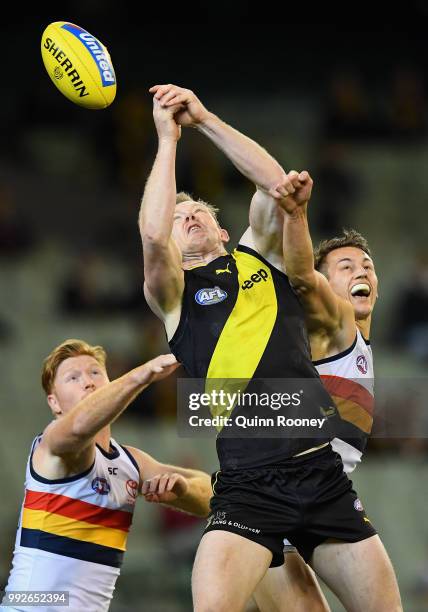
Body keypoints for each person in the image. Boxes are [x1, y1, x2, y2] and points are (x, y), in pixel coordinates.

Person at [139, 84, 387, 612]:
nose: (188, 218)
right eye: (180, 217)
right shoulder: (174, 297)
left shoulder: (259, 260)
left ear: (224, 230)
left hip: (321, 473)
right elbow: (153, 236)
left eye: (199, 213)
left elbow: (276, 184)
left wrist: (203, 118)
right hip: (249, 485)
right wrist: (168, 143)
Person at [253, 224, 402, 611]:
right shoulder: (334, 324)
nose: (362, 273)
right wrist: (295, 213)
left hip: (325, 494)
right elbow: (302, 275)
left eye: (367, 266)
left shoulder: (357, 341)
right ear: (325, 285)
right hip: (273, 501)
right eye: (347, 267)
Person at [1, 339, 212, 612]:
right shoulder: (51, 443)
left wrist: (183, 490)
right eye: (73, 377)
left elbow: (211, 496)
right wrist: (141, 375)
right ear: (54, 403)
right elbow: (78, 427)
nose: (87, 382)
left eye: (95, 373)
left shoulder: (130, 462)